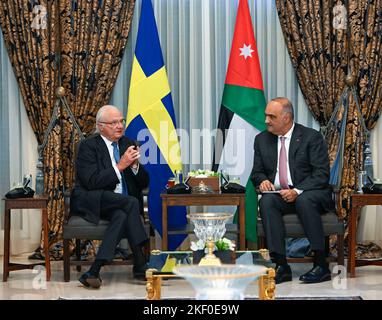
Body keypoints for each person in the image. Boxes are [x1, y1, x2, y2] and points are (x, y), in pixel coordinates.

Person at [251, 97, 334, 284]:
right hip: (280, 195)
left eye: (271, 117)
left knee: (304, 200)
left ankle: (321, 265)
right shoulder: (262, 140)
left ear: (286, 118)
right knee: (267, 201)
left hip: (310, 193)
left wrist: (297, 191)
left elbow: (321, 174)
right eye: (266, 116)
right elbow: (256, 172)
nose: (266, 121)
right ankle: (281, 265)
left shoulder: (311, 137)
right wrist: (263, 181)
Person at [70, 105, 149, 288]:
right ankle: (140, 261)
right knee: (131, 203)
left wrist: (135, 166)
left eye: (121, 121)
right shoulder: (88, 146)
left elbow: (144, 182)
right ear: (101, 126)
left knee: (123, 213)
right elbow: (92, 182)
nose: (119, 126)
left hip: (118, 204)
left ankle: (94, 270)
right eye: (114, 123)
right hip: (94, 200)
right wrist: (121, 166)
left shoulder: (127, 143)